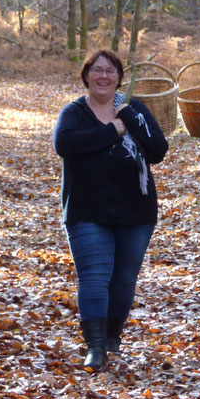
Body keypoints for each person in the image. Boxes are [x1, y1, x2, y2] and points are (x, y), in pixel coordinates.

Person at [53, 50, 168, 371]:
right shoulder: (74, 112)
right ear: (86, 75)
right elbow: (65, 145)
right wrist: (111, 131)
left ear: (119, 77)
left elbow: (158, 150)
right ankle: (95, 346)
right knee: (94, 276)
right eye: (97, 71)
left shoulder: (134, 108)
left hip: (136, 210)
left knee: (124, 280)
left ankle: (113, 337)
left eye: (111, 71)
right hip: (87, 209)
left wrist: (128, 119)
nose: (104, 76)